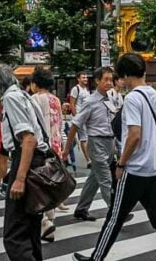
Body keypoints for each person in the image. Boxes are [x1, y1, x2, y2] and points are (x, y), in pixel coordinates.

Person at [74, 53, 156, 261]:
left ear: (124, 76)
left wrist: (121, 164)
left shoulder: (132, 99)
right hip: (155, 167)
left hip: (135, 169)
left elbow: (134, 134)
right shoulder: (154, 94)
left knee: (114, 217)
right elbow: (155, 128)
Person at [0, 63, 61, 261]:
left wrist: (19, 179)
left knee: (13, 238)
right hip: (38, 161)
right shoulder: (24, 95)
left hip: (26, 162)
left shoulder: (10, 99)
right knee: (30, 234)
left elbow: (28, 139)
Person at [64, 67, 118, 222]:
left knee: (94, 178)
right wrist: (67, 149)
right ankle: (116, 212)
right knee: (106, 179)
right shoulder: (90, 101)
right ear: (97, 81)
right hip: (96, 142)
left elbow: (112, 120)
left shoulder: (109, 98)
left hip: (109, 142)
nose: (109, 82)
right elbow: (75, 124)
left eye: (110, 79)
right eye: (105, 79)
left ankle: (81, 209)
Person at [30, 68, 65, 241]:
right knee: (51, 182)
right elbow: (60, 123)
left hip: (41, 146)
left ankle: (44, 221)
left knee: (38, 184)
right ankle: (50, 218)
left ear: (35, 84)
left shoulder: (34, 99)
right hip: (56, 145)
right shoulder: (56, 100)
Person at [67, 72, 92, 167]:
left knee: (73, 139)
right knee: (83, 138)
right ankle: (89, 160)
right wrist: (76, 117)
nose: (85, 79)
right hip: (79, 117)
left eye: (86, 77)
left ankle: (63, 154)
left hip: (86, 117)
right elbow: (72, 104)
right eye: (83, 77)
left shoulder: (86, 89)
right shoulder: (75, 89)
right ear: (78, 79)